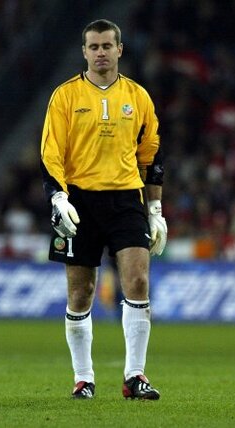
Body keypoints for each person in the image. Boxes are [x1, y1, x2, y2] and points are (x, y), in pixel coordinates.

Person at [40, 19, 167, 400]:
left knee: (138, 281)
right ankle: (84, 378)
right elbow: (51, 153)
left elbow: (152, 156)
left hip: (126, 198)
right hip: (79, 201)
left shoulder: (138, 97)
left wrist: (155, 208)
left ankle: (135, 376)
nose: (100, 53)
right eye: (93, 47)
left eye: (106, 46)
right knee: (81, 292)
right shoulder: (65, 96)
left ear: (119, 50)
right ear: (84, 52)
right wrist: (58, 198)